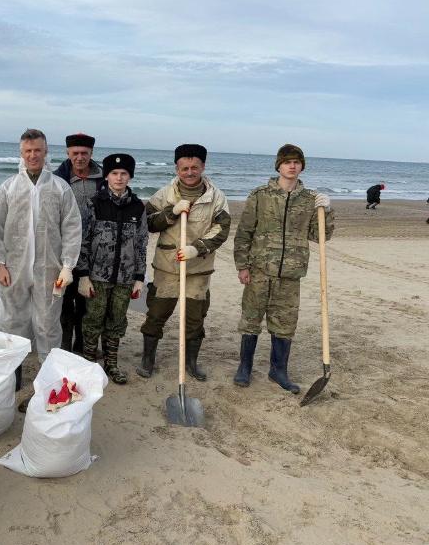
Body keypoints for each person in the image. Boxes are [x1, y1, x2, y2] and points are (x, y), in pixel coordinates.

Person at [233, 144, 334, 393]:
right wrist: (242, 265)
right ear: (278, 165)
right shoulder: (260, 195)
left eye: (297, 162)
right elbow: (243, 233)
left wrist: (327, 211)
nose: (292, 165)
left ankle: (278, 370)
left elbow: (320, 236)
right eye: (287, 161)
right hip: (259, 270)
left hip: (291, 274)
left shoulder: (310, 200)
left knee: (285, 323)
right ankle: (244, 367)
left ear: (301, 166)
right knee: (251, 320)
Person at [0, 128, 82, 389]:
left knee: (47, 323)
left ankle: (48, 376)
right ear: (21, 153)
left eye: (37, 150)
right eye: (28, 151)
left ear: (45, 151)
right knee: (12, 320)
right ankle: (15, 374)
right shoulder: (9, 187)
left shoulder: (59, 187)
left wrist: (67, 266)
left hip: (49, 270)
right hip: (14, 269)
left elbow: (72, 227)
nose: (33, 155)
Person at [137, 144, 230, 381]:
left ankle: (191, 363)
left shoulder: (216, 198)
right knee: (156, 315)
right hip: (167, 268)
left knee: (195, 319)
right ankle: (147, 359)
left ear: (203, 167)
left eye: (194, 167)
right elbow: (147, 223)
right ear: (177, 169)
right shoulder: (164, 194)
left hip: (198, 270)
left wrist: (196, 249)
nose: (190, 172)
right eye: (184, 168)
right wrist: (171, 213)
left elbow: (222, 229)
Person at [76, 153, 147, 384]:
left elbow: (141, 243)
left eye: (124, 174)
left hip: (125, 278)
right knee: (93, 319)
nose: (119, 178)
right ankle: (88, 364)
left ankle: (111, 364)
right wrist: (83, 275)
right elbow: (83, 241)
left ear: (130, 176)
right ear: (106, 176)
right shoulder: (94, 204)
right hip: (97, 276)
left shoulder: (137, 207)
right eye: (114, 173)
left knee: (117, 320)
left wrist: (139, 277)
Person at [53, 133, 104, 354]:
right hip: (64, 252)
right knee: (64, 302)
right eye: (75, 153)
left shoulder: (103, 179)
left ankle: (81, 345)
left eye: (84, 153)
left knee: (87, 303)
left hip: (95, 252)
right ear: (68, 153)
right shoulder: (57, 180)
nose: (80, 157)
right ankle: (64, 347)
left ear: (91, 153)